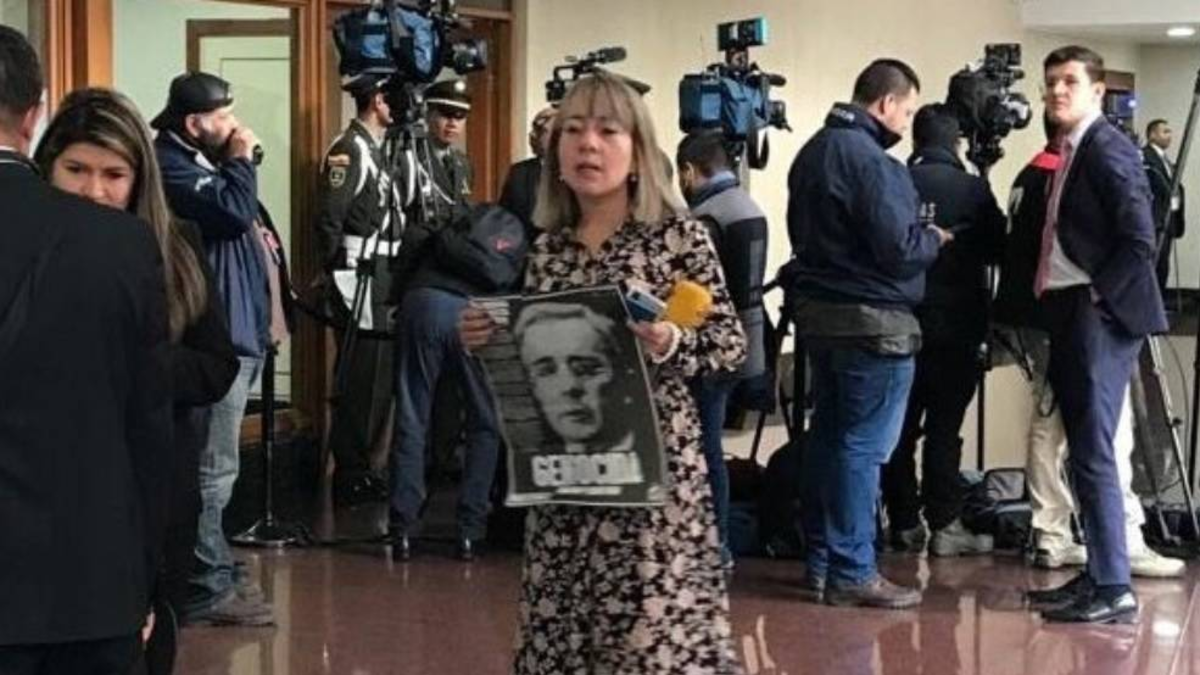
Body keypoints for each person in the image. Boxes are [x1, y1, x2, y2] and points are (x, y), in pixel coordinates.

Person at [461, 70, 746, 674]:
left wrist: (672, 341)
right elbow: (539, 365)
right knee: (563, 641)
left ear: (639, 151)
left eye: (607, 131)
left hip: (650, 484)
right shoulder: (548, 249)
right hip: (565, 482)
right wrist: (493, 343)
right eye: (572, 130)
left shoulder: (678, 238)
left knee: (649, 644)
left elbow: (728, 345)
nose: (587, 144)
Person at [33, 86, 240, 657]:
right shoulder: (28, 250)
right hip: (48, 492)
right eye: (76, 170)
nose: (93, 191)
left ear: (138, 179)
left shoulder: (177, 245)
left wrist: (132, 359)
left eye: (113, 174)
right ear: (47, 168)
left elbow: (216, 365)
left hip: (153, 490)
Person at [0, 26, 172, 674]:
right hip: (89, 585)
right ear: (34, 114)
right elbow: (148, 431)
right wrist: (145, 579)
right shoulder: (120, 245)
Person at [786, 59, 951, 609]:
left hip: (821, 320)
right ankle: (854, 570)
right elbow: (899, 250)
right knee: (862, 449)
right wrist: (933, 239)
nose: (906, 122)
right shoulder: (874, 163)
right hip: (875, 325)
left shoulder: (812, 151)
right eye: (906, 110)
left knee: (827, 440)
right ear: (886, 103)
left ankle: (821, 562)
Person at [996, 118, 1185, 580]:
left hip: (1034, 312)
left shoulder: (1031, 172)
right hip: (1069, 313)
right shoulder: (1065, 174)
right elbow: (1132, 239)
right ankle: (1120, 539)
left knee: (1050, 422)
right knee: (1109, 428)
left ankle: (1052, 532)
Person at [1025, 46, 1167, 625]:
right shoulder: (1073, 148)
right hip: (1070, 307)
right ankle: (1100, 574)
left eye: (1069, 81)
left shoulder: (1108, 148)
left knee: (1094, 451)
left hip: (1095, 312)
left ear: (1097, 91)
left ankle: (1113, 586)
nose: (1057, 91)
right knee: (1083, 451)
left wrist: (1098, 298)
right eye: (1050, 82)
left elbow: (1140, 240)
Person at [152, 70, 292, 626]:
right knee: (213, 470)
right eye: (224, 116)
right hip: (217, 339)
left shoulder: (206, 162)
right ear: (194, 123)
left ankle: (213, 563)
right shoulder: (171, 167)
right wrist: (240, 161)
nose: (236, 126)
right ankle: (203, 585)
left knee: (221, 468)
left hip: (242, 333)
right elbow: (233, 215)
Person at [880, 104, 1005, 557]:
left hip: (900, 321)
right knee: (945, 427)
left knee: (899, 427)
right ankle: (945, 525)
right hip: (958, 325)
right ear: (956, 143)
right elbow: (999, 248)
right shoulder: (973, 188)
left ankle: (903, 521)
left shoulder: (893, 179)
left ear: (916, 139)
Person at [676, 129, 768, 569]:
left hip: (708, 350)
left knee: (703, 447)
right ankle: (721, 544)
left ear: (688, 172)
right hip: (748, 342)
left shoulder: (706, 219)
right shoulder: (748, 207)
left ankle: (713, 544)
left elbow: (695, 293)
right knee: (712, 445)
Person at [318, 72, 401, 505]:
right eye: (393, 99)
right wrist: (335, 270)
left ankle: (368, 464)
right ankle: (351, 468)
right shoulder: (349, 149)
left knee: (379, 372)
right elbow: (331, 217)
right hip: (358, 267)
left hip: (384, 266)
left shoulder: (377, 149)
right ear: (377, 101)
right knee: (362, 372)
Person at [1142, 118, 1185, 295]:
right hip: (1154, 221)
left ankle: (1159, 302)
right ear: (1152, 135)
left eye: (1170, 132)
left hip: (1167, 221)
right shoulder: (1145, 157)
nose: (1169, 136)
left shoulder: (1164, 159)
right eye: (1165, 131)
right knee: (1154, 265)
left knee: (1162, 266)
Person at [500, 106, 556, 231]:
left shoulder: (579, 172)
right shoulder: (519, 172)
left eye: (541, 130)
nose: (532, 134)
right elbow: (504, 220)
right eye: (533, 129)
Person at [425, 78, 474, 222]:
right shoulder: (409, 159)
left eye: (460, 117)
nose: (452, 124)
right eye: (446, 114)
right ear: (428, 115)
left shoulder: (464, 164)